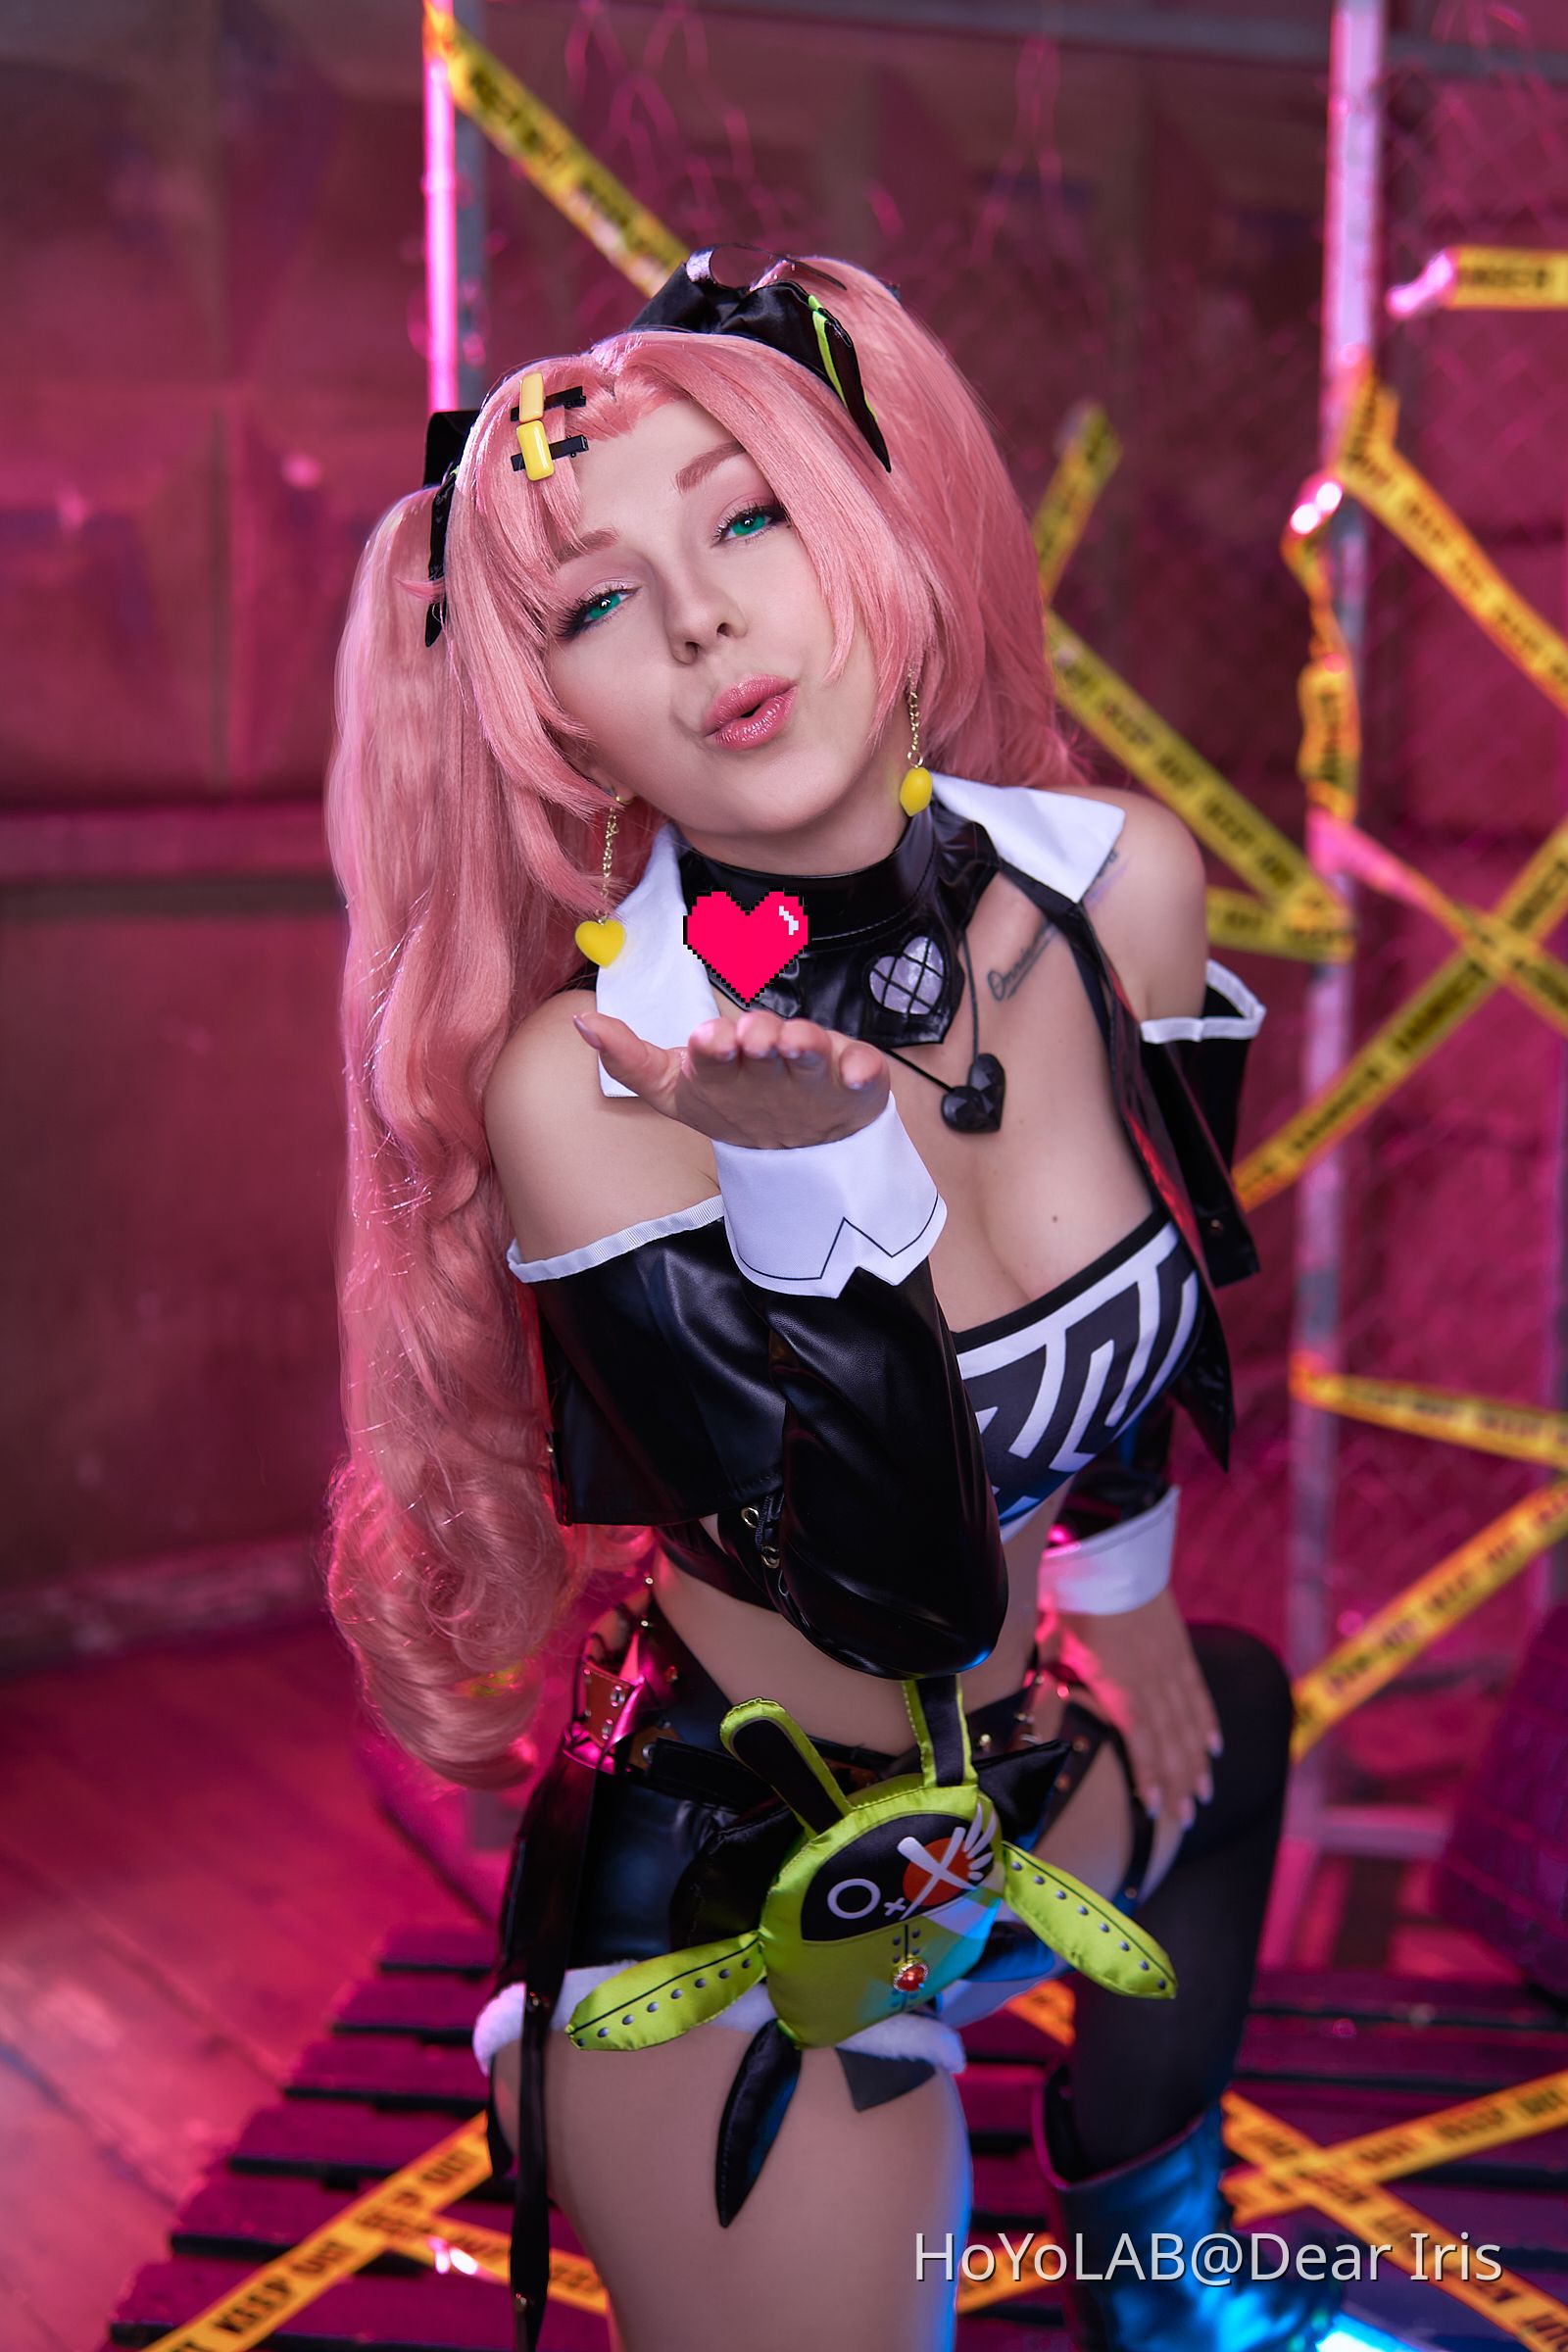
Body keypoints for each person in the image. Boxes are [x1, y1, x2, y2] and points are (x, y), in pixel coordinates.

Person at [323, 253, 1340, 2352]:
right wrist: (809, 1192)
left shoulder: (1116, 890)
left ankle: (1161, 2278)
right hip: (739, 1913)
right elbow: (889, 1594)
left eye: (751, 516)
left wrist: (1130, 1597)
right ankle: (595, 2093)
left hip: (997, 1798)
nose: (702, 622)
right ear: (554, 718)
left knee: (1230, 1720)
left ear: (882, 524)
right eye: (599, 604)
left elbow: (1150, 1311)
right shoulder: (586, 1087)